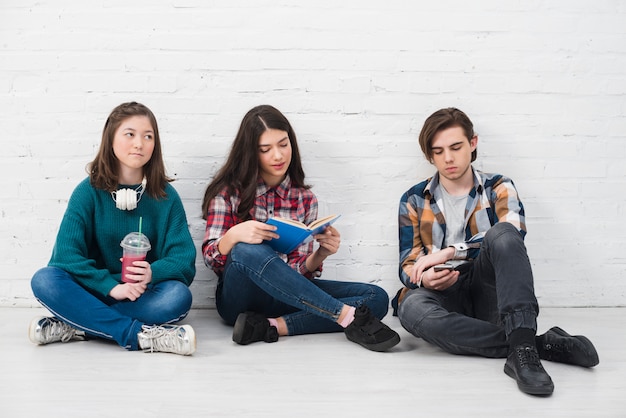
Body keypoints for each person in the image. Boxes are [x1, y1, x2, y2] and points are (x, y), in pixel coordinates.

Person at [393, 107, 598, 395]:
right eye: (438, 151)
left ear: (472, 143)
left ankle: (523, 353)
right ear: (430, 155)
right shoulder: (413, 198)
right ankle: (532, 345)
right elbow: (407, 262)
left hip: (488, 290)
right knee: (411, 308)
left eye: (456, 147)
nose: (448, 158)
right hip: (443, 296)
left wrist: (450, 252)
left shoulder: (499, 186)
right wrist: (423, 278)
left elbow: (513, 231)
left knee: (502, 232)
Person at [201, 104, 400, 352]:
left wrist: (320, 254)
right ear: (251, 153)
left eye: (283, 145)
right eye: (266, 149)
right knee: (246, 250)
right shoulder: (228, 192)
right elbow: (211, 259)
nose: (278, 156)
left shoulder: (304, 199)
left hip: (286, 296)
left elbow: (297, 274)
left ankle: (270, 326)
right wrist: (232, 236)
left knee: (376, 299)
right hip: (239, 300)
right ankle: (345, 316)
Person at [29, 102, 197, 355]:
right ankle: (138, 335)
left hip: (140, 295)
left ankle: (79, 324)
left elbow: (184, 261)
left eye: (148, 136)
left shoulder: (165, 197)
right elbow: (65, 257)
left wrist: (152, 272)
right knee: (45, 280)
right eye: (130, 134)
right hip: (95, 291)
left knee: (178, 297)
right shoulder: (87, 192)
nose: (139, 143)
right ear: (110, 140)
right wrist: (110, 286)